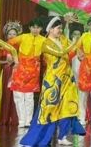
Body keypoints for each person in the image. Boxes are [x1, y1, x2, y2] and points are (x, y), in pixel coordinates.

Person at [19, 17, 86, 146]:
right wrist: (75, 43)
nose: (60, 30)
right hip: (52, 81)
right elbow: (61, 53)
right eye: (58, 28)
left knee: (67, 107)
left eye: (61, 28)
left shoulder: (63, 39)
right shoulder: (45, 43)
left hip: (67, 79)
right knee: (48, 111)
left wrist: (78, 52)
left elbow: (72, 51)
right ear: (50, 29)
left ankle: (63, 136)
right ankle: (35, 139)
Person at [8, 19, 46, 128]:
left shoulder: (44, 40)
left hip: (34, 71)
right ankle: (21, 120)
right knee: (18, 96)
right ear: (29, 27)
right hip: (20, 69)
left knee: (29, 97)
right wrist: (12, 56)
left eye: (38, 27)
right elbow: (9, 44)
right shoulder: (23, 37)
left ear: (41, 29)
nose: (35, 29)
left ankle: (28, 121)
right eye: (33, 27)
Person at [0, 21, 21, 126]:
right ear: (6, 35)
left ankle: (15, 119)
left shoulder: (21, 47)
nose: (12, 36)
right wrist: (6, 62)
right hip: (7, 72)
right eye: (10, 34)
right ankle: (4, 118)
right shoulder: (2, 47)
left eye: (14, 34)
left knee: (17, 96)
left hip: (17, 72)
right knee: (6, 95)